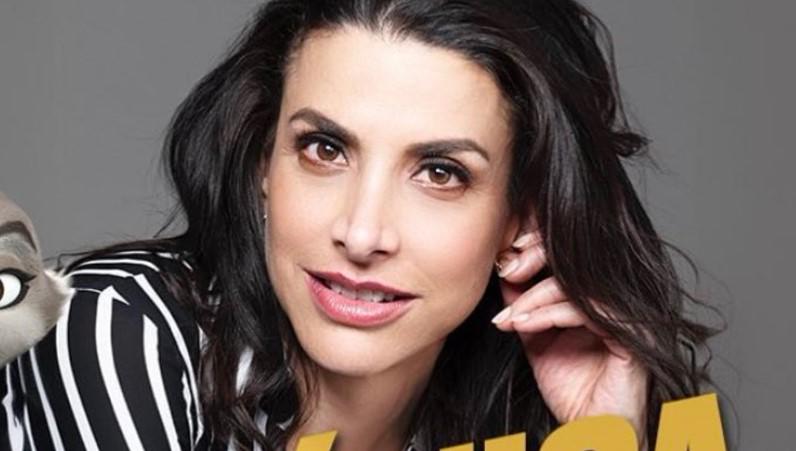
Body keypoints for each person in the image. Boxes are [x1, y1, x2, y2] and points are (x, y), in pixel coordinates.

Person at [0, 0, 719, 450]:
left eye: (440, 172)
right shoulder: (111, 326)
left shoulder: (501, 414)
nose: (363, 232)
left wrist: (604, 436)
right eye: (324, 149)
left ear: (519, 216)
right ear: (262, 161)